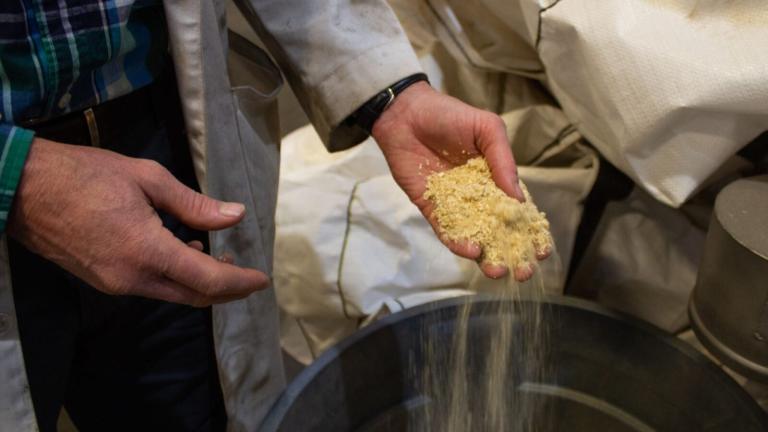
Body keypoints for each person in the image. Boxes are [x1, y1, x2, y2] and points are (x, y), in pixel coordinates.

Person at [0, 0, 545, 430]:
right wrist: (19, 177)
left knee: (190, 402)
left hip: (156, 129)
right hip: (15, 163)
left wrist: (392, 92)